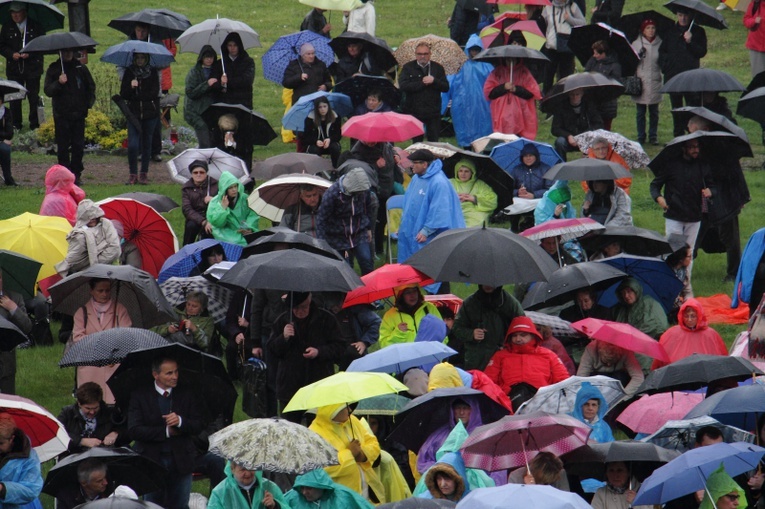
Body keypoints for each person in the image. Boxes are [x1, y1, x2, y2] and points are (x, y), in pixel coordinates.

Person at [128, 357, 203, 509]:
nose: (174, 376)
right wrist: (166, 431)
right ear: (156, 375)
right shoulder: (140, 395)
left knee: (180, 505)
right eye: (169, 373)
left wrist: (181, 421)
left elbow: (198, 424)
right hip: (152, 460)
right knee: (151, 505)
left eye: (176, 372)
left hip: (181, 460)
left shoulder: (187, 393)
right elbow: (134, 430)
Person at [687, 116, 750, 283]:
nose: (691, 136)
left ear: (704, 130)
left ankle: (734, 273)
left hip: (726, 200)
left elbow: (733, 174)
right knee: (695, 233)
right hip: (705, 200)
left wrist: (740, 196)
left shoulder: (722, 147)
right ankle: (684, 267)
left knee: (730, 237)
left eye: (693, 132)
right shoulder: (699, 148)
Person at [649, 137, 713, 295]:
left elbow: (713, 184)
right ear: (683, 148)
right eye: (691, 147)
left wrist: (711, 191)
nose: (695, 150)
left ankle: (686, 286)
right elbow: (655, 185)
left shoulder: (702, 165)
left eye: (697, 146)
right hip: (674, 216)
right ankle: (671, 286)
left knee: (689, 253)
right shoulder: (671, 165)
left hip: (694, 216)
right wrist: (659, 199)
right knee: (674, 252)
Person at [269, 292, 345, 420]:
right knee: (290, 430)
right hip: (290, 387)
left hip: (318, 385)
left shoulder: (326, 319)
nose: (300, 311)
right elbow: (272, 351)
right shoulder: (282, 320)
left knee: (317, 429)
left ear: (310, 302)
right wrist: (284, 338)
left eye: (304, 307)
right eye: (296, 308)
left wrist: (319, 352)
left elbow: (340, 347)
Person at [484, 316, 570, 408]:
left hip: (543, 403)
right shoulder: (500, 356)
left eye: (523, 335)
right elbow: (488, 381)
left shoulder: (549, 355)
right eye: (514, 335)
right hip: (508, 404)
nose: (518, 339)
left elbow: (563, 380)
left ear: (533, 335)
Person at [397, 149, 465, 263]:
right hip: (412, 227)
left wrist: (426, 230)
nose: (411, 165)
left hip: (429, 233)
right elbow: (408, 203)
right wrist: (404, 225)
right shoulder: (416, 178)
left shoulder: (438, 182)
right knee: (411, 264)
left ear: (424, 164)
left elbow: (439, 210)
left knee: (430, 264)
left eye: (415, 162)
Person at [309, 404, 386, 503]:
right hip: (342, 500)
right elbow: (322, 468)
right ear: (333, 409)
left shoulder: (352, 420)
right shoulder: (314, 433)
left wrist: (362, 455)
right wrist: (349, 454)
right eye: (344, 407)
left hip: (368, 493)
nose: (349, 410)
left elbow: (373, 443)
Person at [72, 278, 132, 404]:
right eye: (100, 291)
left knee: (114, 403)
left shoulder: (120, 310)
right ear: (91, 291)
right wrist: (102, 342)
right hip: (90, 366)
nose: (104, 294)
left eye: (107, 290)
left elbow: (127, 335)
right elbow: (77, 339)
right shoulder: (81, 312)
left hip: (114, 365)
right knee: (90, 402)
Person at [43, 49, 95, 185]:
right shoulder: (54, 69)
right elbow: (48, 90)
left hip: (78, 114)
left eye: (69, 52)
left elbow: (90, 86)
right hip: (62, 114)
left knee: (78, 146)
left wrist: (87, 104)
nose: (67, 54)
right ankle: (64, 174)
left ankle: (76, 173)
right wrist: (59, 83)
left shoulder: (80, 68)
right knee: (63, 147)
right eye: (65, 52)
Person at [451, 285, 524, 371]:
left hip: (503, 357)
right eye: (483, 282)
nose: (487, 285)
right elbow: (457, 328)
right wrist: (471, 334)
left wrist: (509, 342)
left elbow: (522, 327)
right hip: (476, 360)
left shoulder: (510, 303)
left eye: (490, 283)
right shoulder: (469, 303)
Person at [316, 167, 375, 275]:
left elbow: (367, 208)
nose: (362, 193)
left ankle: (369, 288)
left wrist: (369, 228)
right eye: (359, 191)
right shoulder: (332, 194)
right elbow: (321, 219)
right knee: (345, 268)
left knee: (366, 260)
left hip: (359, 231)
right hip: (337, 235)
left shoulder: (365, 191)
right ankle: (349, 290)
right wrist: (322, 244)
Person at [659, 8, 707, 136]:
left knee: (692, 106)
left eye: (685, 15)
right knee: (676, 107)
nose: (683, 18)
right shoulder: (670, 31)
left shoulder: (698, 31)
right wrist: (666, 66)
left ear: (690, 15)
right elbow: (662, 51)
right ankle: (678, 134)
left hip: (691, 76)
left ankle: (692, 133)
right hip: (673, 75)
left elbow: (701, 52)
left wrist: (690, 42)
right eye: (680, 15)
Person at [0, 2, 44, 131]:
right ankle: (15, 124)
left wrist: (29, 54)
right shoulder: (7, 27)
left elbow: (42, 45)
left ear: (24, 12)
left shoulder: (35, 26)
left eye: (18, 12)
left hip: (32, 68)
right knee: (14, 96)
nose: (15, 15)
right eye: (13, 13)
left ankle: (34, 124)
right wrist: (11, 54)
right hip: (14, 68)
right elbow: (1, 46)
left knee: (33, 96)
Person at [120, 52, 160, 185]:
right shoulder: (129, 72)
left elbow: (154, 93)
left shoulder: (152, 72)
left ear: (147, 59)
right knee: (133, 145)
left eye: (143, 58)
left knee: (147, 143)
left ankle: (144, 173)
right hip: (134, 114)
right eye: (138, 58)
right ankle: (132, 174)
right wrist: (132, 88)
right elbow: (124, 94)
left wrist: (140, 92)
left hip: (150, 113)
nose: (140, 60)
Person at [652, 298, 727, 369]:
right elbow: (659, 360)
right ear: (682, 316)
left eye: (693, 316)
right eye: (686, 316)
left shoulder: (711, 335)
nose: (689, 319)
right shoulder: (670, 334)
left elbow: (723, 360)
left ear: (699, 316)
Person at [55, 200, 121, 278]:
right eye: (88, 218)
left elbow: (115, 249)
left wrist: (94, 264)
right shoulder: (78, 233)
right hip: (81, 272)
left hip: (106, 270)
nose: (92, 219)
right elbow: (74, 257)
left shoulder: (106, 224)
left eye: (94, 217)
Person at [448, 35, 492, 149]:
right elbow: (449, 84)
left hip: (482, 105)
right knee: (465, 131)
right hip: (463, 104)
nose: (474, 52)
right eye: (472, 49)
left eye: (477, 49)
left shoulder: (487, 66)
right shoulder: (460, 66)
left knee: (483, 131)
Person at [399, 42, 450, 142]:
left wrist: (434, 81)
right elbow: (403, 86)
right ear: (415, 54)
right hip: (414, 111)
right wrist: (422, 83)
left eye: (425, 54)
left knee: (433, 141)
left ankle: (433, 158)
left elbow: (445, 87)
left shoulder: (437, 68)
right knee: (417, 142)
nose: (423, 56)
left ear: (430, 54)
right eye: (420, 54)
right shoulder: (408, 67)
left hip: (433, 111)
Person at [483, 54, 541, 139]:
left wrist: (516, 89)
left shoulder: (524, 72)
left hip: (521, 114)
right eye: (508, 60)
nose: (511, 62)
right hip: (501, 114)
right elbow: (490, 93)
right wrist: (503, 87)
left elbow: (531, 93)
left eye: (513, 60)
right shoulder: (497, 73)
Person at [57, 382, 123, 455]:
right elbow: (58, 434)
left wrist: (116, 433)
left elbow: (127, 428)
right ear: (79, 403)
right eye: (87, 408)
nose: (92, 412)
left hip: (103, 456)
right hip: (73, 456)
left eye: (95, 408)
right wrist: (81, 441)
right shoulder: (67, 413)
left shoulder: (110, 413)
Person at [541, 0, 586, 93]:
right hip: (551, 48)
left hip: (567, 48)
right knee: (548, 77)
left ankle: (563, 98)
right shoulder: (548, 8)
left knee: (565, 78)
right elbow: (543, 24)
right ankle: (545, 99)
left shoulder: (573, 6)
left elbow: (583, 23)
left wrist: (570, 19)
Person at [0, 413, 43, 509]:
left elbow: (31, 489)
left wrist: (3, 489)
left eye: (1, 443)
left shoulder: (29, 457)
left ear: (12, 439)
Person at [206, 171, 259, 246]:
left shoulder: (245, 198)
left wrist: (250, 228)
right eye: (230, 187)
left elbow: (253, 214)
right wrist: (223, 208)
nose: (234, 190)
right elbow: (217, 224)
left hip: (245, 231)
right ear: (225, 189)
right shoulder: (215, 202)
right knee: (234, 243)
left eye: (235, 186)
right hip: (225, 232)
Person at [379, 285, 442, 349]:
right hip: (405, 357)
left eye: (414, 291)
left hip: (430, 355)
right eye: (408, 292)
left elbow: (442, 332)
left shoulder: (429, 308)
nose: (412, 295)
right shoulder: (390, 316)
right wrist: (399, 333)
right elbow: (384, 345)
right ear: (401, 295)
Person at [631, 19, 663, 146]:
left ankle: (653, 136)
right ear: (643, 30)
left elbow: (663, 60)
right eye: (648, 28)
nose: (651, 30)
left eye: (653, 28)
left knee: (654, 111)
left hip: (655, 78)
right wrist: (638, 55)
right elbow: (630, 60)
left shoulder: (660, 43)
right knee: (640, 112)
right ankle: (641, 136)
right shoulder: (636, 43)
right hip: (641, 80)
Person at [0, 269, 31, 395]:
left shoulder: (15, 298)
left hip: (7, 363)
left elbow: (27, 327)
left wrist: (13, 309)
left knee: (8, 405)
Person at [207, 462, 288, 509]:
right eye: (243, 469)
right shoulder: (220, 492)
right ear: (232, 469)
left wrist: (275, 505)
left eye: (251, 468)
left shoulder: (269, 487)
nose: (248, 473)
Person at [552, 89, 604, 161]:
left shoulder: (589, 105)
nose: (575, 97)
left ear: (582, 94)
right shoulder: (561, 107)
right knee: (560, 142)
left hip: (587, 137)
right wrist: (568, 136)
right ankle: (561, 164)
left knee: (596, 140)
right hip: (569, 139)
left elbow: (599, 124)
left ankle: (592, 163)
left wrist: (586, 135)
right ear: (568, 95)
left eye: (577, 94)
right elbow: (555, 128)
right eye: (572, 95)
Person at [577, 340, 644, 396]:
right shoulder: (591, 348)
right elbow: (581, 377)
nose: (609, 364)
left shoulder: (626, 351)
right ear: (599, 352)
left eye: (612, 362)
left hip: (618, 379)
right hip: (596, 379)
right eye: (606, 362)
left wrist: (623, 396)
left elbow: (638, 377)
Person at [285, 468, 373, 509]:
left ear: (321, 486)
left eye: (309, 488)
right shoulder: (292, 497)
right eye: (302, 488)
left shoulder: (344, 496)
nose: (304, 492)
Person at [183, 45, 218, 148]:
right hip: (194, 111)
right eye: (206, 57)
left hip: (208, 111)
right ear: (201, 58)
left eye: (211, 57)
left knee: (212, 140)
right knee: (205, 142)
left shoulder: (216, 71)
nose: (209, 59)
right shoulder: (194, 72)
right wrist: (207, 84)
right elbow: (191, 93)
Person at [584, 40, 622, 131]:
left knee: (606, 129)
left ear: (603, 53)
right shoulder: (592, 61)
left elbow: (616, 85)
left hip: (607, 103)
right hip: (592, 101)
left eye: (596, 54)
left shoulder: (615, 66)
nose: (594, 56)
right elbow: (586, 74)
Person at [449, 159, 498, 228]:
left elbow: (492, 200)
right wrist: (454, 198)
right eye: (460, 171)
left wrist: (474, 198)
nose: (463, 174)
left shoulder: (480, 184)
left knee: (480, 219)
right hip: (454, 210)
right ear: (457, 172)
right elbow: (439, 197)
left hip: (474, 211)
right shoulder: (449, 183)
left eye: (466, 171)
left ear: (472, 172)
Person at [211, 33, 255, 109]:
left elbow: (247, 80)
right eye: (230, 45)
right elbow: (213, 82)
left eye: (235, 45)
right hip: (224, 104)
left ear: (239, 46)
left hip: (243, 104)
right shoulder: (219, 64)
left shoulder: (248, 62)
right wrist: (221, 83)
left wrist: (228, 81)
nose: (232, 48)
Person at [181, 160, 219, 246]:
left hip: (212, 217)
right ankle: (186, 249)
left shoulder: (215, 185)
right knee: (191, 226)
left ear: (206, 173)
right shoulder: (187, 188)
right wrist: (203, 222)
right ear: (191, 174)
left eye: (202, 172)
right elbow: (187, 209)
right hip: (195, 218)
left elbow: (223, 202)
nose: (198, 174)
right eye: (195, 172)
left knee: (210, 232)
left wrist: (213, 200)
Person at [301, 97, 341, 167]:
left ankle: (336, 169)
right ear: (316, 108)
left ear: (328, 106)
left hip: (330, 143)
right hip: (315, 144)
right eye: (320, 107)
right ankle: (316, 172)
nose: (323, 109)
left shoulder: (336, 117)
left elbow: (338, 135)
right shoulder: (309, 119)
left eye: (325, 106)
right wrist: (315, 141)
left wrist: (329, 140)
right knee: (314, 150)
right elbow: (306, 137)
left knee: (335, 147)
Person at [0, 96, 15, 186]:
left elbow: (9, 133)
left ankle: (8, 178)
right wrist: (2, 139)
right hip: (2, 140)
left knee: (5, 149)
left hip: (2, 142)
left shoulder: (6, 112)